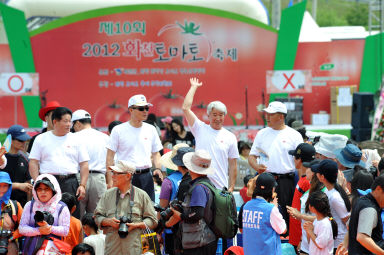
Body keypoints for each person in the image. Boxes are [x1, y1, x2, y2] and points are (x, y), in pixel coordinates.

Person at [248, 101, 303, 232]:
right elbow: (252, 156)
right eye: (266, 114)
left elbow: (300, 164)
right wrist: (257, 167)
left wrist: (301, 185)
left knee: (284, 217)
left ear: (281, 117)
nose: (267, 117)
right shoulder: (262, 134)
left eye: (271, 114)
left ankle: (285, 247)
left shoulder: (294, 135)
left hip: (286, 182)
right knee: (263, 215)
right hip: (265, 181)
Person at [29, 107, 89, 218]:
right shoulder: (41, 139)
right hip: (47, 182)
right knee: (47, 214)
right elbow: (33, 162)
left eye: (70, 121)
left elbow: (84, 164)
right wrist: (38, 181)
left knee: (71, 215)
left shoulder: (76, 139)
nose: (69, 124)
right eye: (65, 121)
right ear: (55, 121)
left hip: (70, 182)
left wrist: (82, 185)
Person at [182, 77, 239, 192]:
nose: (218, 118)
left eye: (221, 115)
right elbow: (185, 108)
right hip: (200, 185)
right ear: (208, 115)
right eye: (214, 114)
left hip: (220, 187)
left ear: (224, 116)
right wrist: (194, 87)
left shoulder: (230, 137)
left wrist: (231, 186)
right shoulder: (200, 128)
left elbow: (233, 164)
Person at [106, 94, 163, 201]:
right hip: (125, 176)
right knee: (125, 211)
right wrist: (110, 181)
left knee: (148, 210)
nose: (145, 111)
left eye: (147, 108)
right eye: (141, 108)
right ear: (131, 110)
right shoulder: (118, 130)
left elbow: (156, 153)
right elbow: (109, 157)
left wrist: (158, 169)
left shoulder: (151, 129)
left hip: (146, 176)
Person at [94, 160, 157, 255]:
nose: (112, 176)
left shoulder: (141, 195)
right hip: (112, 249)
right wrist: (108, 221)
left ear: (128, 176)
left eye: (116, 173)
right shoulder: (107, 195)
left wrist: (137, 225)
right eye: (112, 173)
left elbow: (153, 221)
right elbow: (97, 216)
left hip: (133, 249)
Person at [165, 150, 218, 254]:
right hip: (206, 239)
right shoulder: (207, 184)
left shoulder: (198, 188)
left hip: (200, 242)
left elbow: (197, 214)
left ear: (190, 168)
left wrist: (179, 215)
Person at [19, 174, 70, 254]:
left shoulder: (61, 207)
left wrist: (49, 228)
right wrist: (39, 230)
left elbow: (65, 231)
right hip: (31, 248)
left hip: (53, 248)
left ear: (54, 190)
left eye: (47, 189)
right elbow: (21, 228)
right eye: (39, 189)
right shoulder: (30, 205)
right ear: (35, 191)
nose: (43, 192)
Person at [71, 109, 108, 218]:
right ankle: (99, 235)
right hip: (100, 179)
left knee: (78, 216)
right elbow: (110, 162)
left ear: (77, 123)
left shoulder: (73, 137)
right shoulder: (104, 137)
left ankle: (80, 235)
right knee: (98, 216)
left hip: (80, 178)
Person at [337, 175, 384, 255]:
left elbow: (350, 226)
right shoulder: (370, 209)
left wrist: (346, 246)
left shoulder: (360, 201)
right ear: (378, 189)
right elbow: (362, 237)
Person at [242, 172, 287, 255]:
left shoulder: (246, 206)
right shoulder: (271, 209)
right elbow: (283, 230)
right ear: (272, 189)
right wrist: (276, 208)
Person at [312, 159, 351, 252]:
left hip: (339, 242)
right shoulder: (327, 191)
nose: (315, 174)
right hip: (331, 238)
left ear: (322, 177)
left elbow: (347, 220)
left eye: (317, 172)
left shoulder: (335, 197)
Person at [159, 143, 189, 255]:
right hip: (192, 230)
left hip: (172, 229)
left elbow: (162, 207)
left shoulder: (168, 181)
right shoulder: (195, 177)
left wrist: (160, 229)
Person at [287, 143, 315, 252]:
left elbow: (308, 212)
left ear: (300, 160)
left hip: (301, 236)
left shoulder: (307, 182)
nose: (293, 159)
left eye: (295, 157)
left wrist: (301, 239)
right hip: (297, 234)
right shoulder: (303, 179)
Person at [3, 125, 32, 207]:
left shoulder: (26, 159)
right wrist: (18, 186)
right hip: (3, 204)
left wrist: (28, 205)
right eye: (20, 140)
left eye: (25, 140)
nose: (24, 143)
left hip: (21, 206)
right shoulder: (2, 159)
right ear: (10, 140)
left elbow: (28, 184)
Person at [304, 191, 338, 255]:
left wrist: (310, 232)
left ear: (313, 208)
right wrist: (308, 231)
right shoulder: (316, 220)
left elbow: (321, 244)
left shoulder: (325, 224)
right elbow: (311, 242)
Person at [0, 172, 23, 255]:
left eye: (5, 186)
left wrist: (14, 236)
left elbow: (24, 225)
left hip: (9, 242)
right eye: (0, 185)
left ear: (9, 187)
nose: (2, 189)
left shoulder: (15, 206)